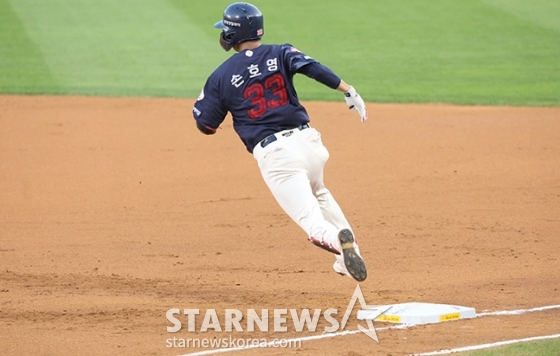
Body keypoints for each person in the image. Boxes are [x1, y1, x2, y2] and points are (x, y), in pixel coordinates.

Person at [192, 2, 369, 282]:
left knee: (312, 223)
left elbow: (206, 125)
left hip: (278, 155)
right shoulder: (281, 51)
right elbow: (313, 67)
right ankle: (349, 254)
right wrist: (348, 90)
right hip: (310, 143)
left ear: (231, 34)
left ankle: (336, 240)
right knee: (319, 192)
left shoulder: (221, 75)